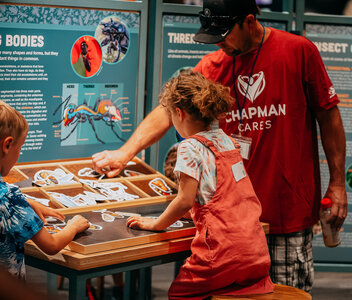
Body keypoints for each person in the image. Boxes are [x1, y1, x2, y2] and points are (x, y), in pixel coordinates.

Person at [93, 0, 347, 292]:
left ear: (249, 21)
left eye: (225, 34)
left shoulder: (298, 50)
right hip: (230, 224)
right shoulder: (212, 65)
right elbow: (168, 110)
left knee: (283, 293)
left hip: (285, 213)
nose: (219, 44)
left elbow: (329, 117)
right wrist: (125, 153)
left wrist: (337, 184)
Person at [127, 71, 273, 299]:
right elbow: (224, 197)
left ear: (179, 113)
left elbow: (184, 199)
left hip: (221, 253)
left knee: (179, 294)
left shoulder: (189, 147)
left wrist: (156, 224)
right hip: (256, 254)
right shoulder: (228, 141)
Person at [0, 99, 90, 279]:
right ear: (7, 145)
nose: (19, 153)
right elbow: (51, 245)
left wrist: (28, 202)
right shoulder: (9, 199)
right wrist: (73, 226)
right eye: (20, 147)